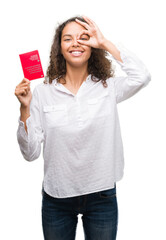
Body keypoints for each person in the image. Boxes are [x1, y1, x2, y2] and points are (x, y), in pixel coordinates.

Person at [15, 15, 151, 240]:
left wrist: (104, 41)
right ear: (59, 48)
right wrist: (24, 108)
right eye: (68, 39)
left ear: (92, 46)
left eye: (83, 38)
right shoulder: (42, 92)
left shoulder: (108, 87)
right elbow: (30, 154)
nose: (76, 43)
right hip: (57, 198)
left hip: (101, 194)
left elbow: (142, 76)